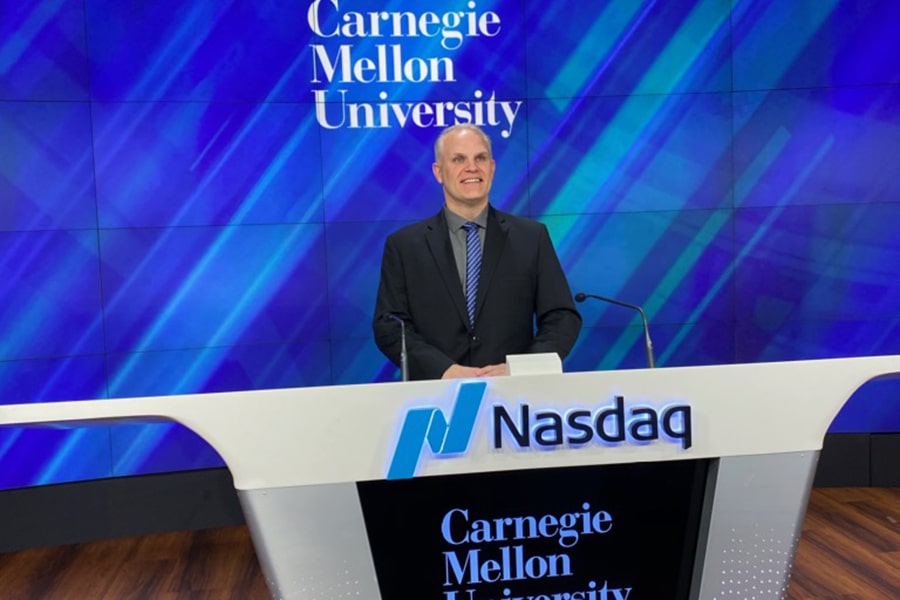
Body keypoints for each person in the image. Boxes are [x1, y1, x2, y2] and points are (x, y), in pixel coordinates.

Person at [372, 124, 582, 380]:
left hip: (515, 398)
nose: (472, 167)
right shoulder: (405, 245)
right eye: (458, 159)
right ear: (439, 172)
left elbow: (562, 318)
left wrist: (521, 369)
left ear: (492, 168)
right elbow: (389, 326)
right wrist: (443, 370)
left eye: (480, 158)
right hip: (435, 398)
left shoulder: (531, 237)